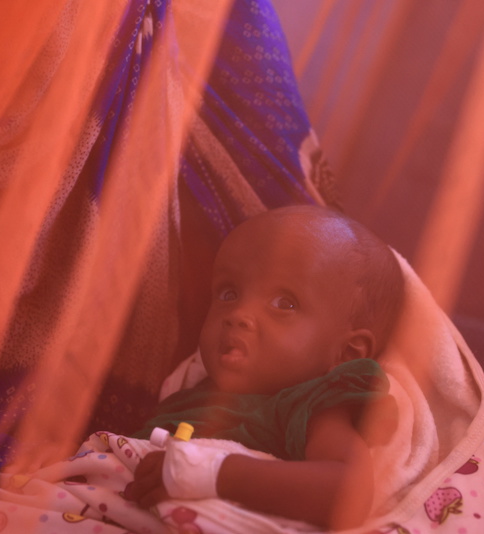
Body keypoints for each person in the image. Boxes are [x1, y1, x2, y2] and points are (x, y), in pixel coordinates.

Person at [125, 204, 405, 529]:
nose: (238, 314)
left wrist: (213, 473)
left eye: (283, 303)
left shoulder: (307, 405)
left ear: (346, 353)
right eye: (228, 293)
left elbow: (348, 491)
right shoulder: (190, 390)